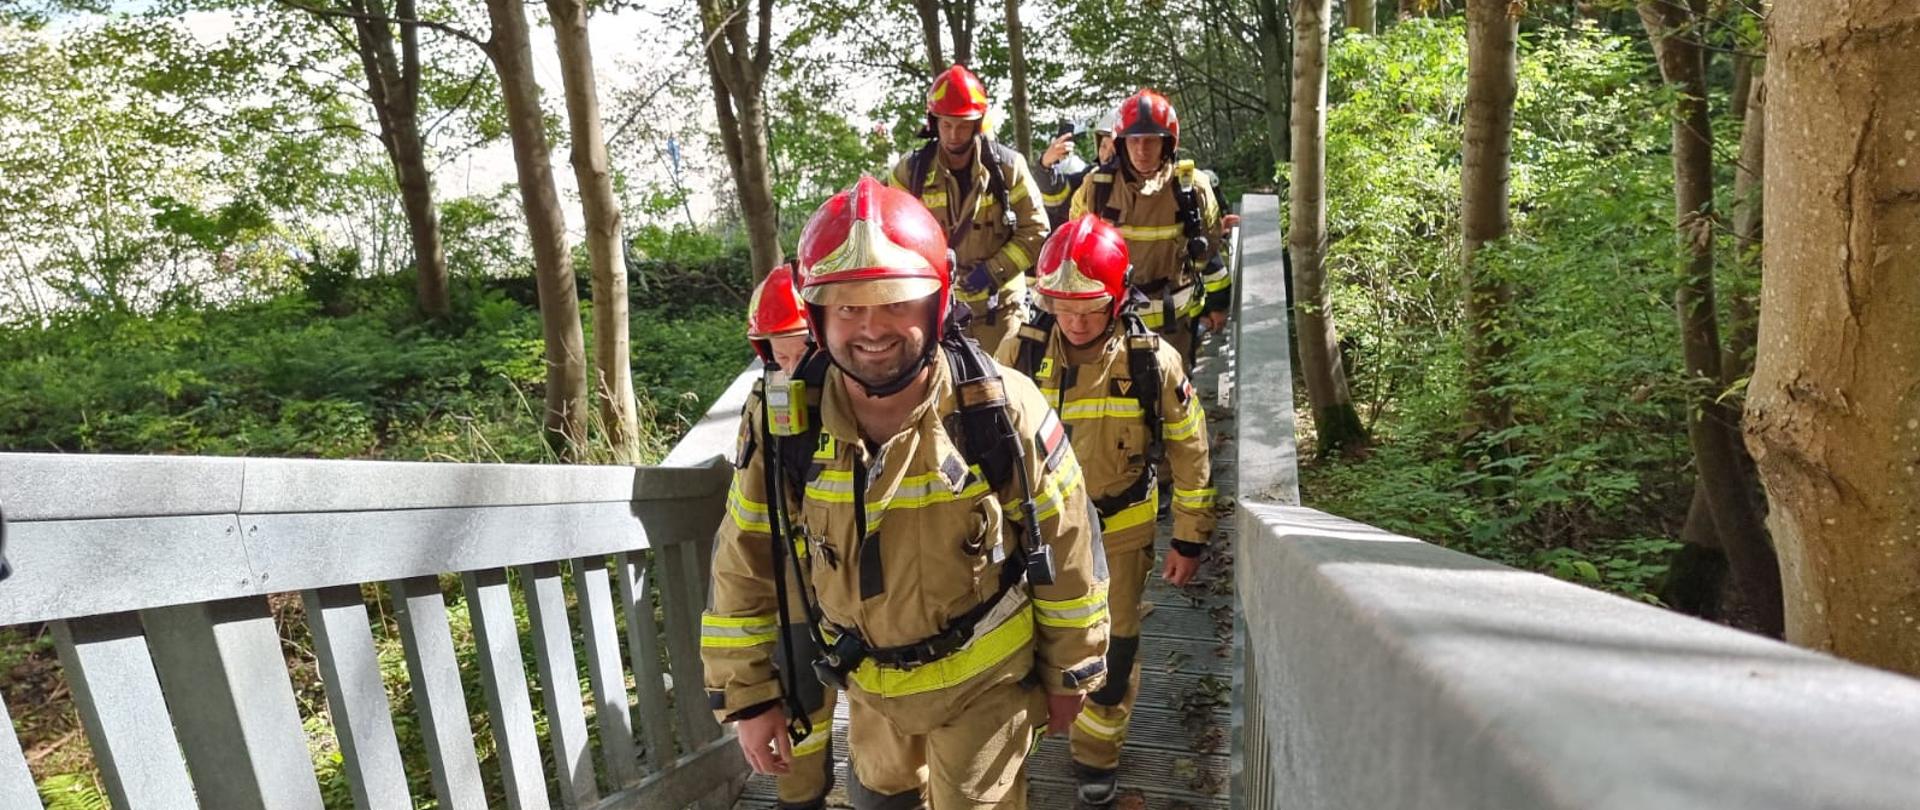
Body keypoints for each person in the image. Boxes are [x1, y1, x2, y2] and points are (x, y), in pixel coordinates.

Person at [703, 177, 1110, 809]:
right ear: (815, 315)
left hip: (985, 680)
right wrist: (750, 693)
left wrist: (1071, 672)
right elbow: (743, 559)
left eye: (895, 302)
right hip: (870, 686)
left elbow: (1069, 543)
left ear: (936, 303)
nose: (872, 329)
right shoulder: (785, 423)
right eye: (847, 307)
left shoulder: (1002, 408)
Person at [995, 214, 1217, 806]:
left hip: (1119, 536)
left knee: (1112, 653)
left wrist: (1189, 537)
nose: (1074, 320)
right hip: (1033, 537)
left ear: (1118, 297)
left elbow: (1190, 447)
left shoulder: (1151, 361)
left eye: (1089, 307)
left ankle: (1096, 753)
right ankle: (1013, 751)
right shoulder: (1021, 349)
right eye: (1062, 306)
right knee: (1020, 648)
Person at [741, 265, 839, 809]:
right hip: (796, 583)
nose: (791, 365)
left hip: (869, 584)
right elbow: (747, 524)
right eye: (778, 352)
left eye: (801, 347)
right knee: (803, 695)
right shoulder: (764, 408)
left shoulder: (871, 400)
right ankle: (801, 799)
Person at [889, 64, 1050, 354]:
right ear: (933, 122)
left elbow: (1036, 229)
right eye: (946, 124)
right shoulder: (909, 173)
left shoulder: (1008, 168)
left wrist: (992, 271)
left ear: (978, 124)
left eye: (963, 125)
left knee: (1004, 389)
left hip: (1001, 309)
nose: (953, 134)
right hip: (936, 312)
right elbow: (890, 238)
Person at [1069, 89, 1231, 367]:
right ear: (1121, 143)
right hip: (1111, 325)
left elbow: (1207, 250)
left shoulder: (1194, 189)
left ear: (1168, 144)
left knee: (1172, 401)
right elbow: (1073, 251)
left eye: (1151, 141)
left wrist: (1216, 304)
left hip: (1175, 328)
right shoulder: (1096, 188)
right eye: (1134, 141)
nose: (1142, 151)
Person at [1034, 109, 1119, 230]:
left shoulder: (1142, 189)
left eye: (1114, 149)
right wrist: (1045, 164)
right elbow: (1057, 197)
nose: (1106, 156)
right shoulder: (1089, 178)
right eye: (1103, 146)